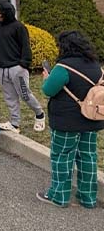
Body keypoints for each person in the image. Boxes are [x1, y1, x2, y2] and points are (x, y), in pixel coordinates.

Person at [37, 30, 104, 208]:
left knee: (62, 157)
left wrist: (47, 78)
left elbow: (48, 90)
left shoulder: (63, 67)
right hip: (91, 119)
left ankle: (59, 195)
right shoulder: (96, 66)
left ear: (64, 47)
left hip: (66, 122)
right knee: (88, 158)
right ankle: (88, 198)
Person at [0, 1, 45, 134]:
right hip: (2, 69)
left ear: (7, 13)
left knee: (25, 94)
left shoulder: (19, 27)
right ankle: (15, 124)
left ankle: (39, 114)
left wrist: (24, 64)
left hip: (17, 68)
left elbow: (25, 47)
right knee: (9, 97)